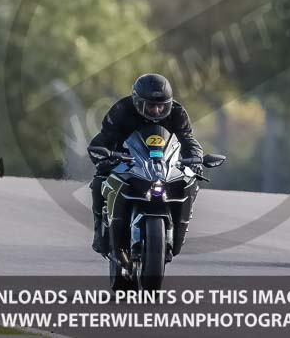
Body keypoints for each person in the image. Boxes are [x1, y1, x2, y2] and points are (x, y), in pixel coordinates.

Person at [87, 73, 203, 254]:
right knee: (99, 182)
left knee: (191, 182)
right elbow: (103, 140)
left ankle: (180, 225)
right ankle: (99, 230)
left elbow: (188, 139)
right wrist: (104, 159)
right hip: (126, 162)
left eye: (161, 106)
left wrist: (196, 160)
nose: (156, 111)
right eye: (151, 105)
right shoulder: (122, 110)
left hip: (165, 165)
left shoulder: (177, 112)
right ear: (137, 101)